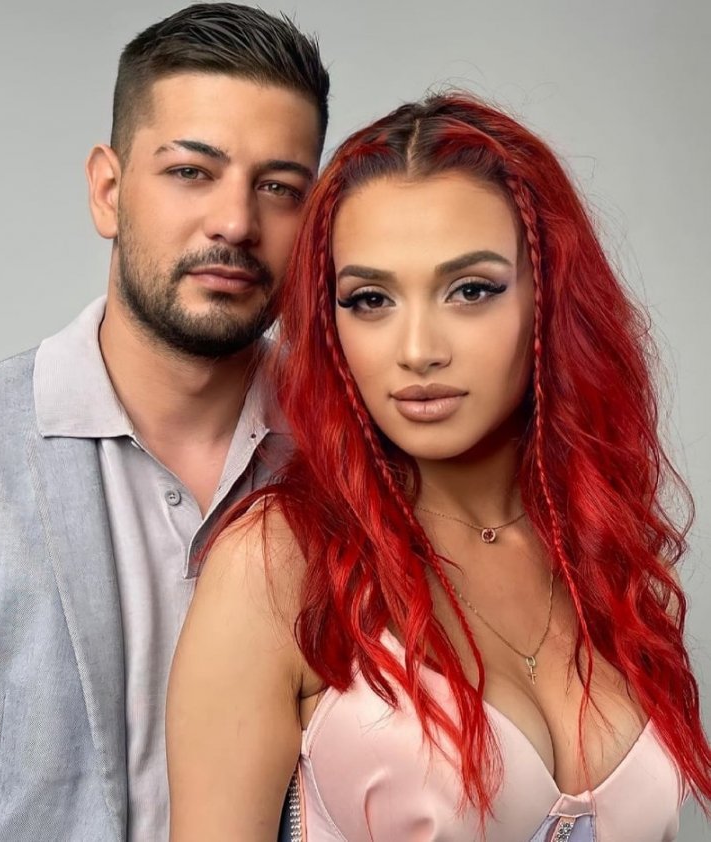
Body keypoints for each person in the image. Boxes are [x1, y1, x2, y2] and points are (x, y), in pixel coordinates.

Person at [166, 93, 711, 841]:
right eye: (370, 299)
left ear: (549, 298)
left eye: (470, 290)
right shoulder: (278, 565)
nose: (418, 349)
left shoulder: (610, 559)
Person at [0, 4, 328, 840]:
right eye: (191, 171)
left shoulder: (355, 467)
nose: (235, 221)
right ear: (108, 191)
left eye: (279, 188)